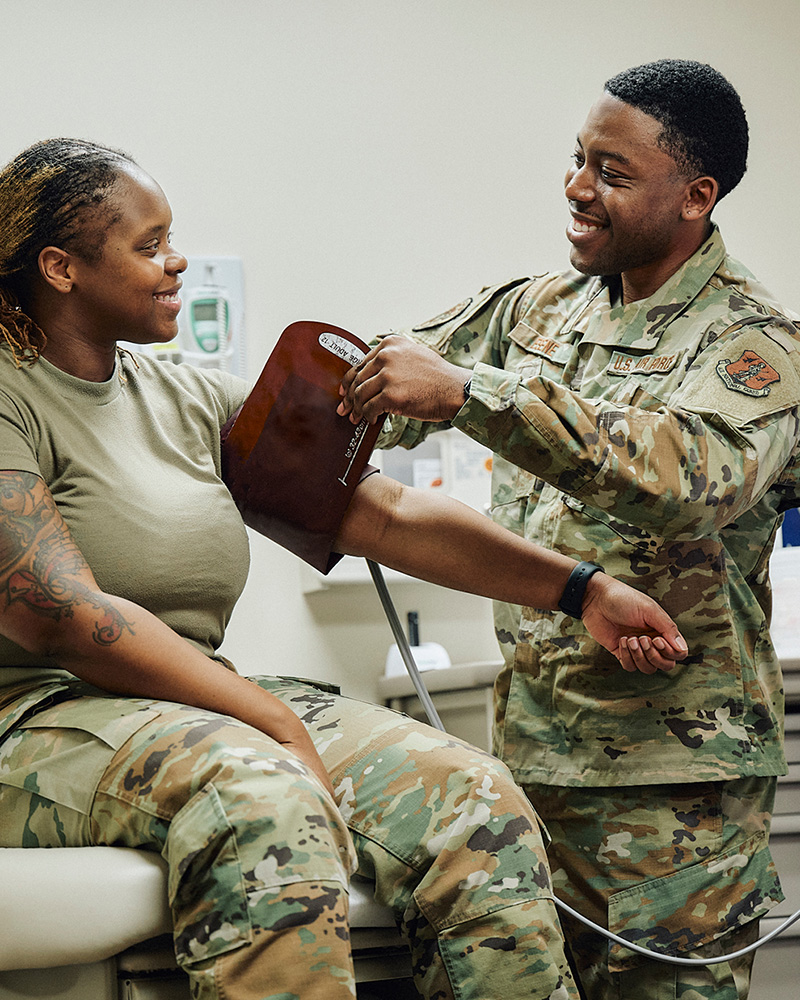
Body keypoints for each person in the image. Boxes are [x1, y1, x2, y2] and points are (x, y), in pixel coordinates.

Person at [0, 139, 687, 1000]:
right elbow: (57, 613)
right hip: (34, 718)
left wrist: (585, 590)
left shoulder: (185, 396)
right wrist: (275, 725)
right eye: (149, 245)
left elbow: (385, 514)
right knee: (260, 796)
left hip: (196, 704)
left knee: (474, 796)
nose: (176, 262)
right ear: (60, 267)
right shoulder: (7, 394)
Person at [338, 59, 798, 1000]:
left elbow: (687, 479)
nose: (577, 189)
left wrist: (474, 395)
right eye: (578, 159)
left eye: (613, 173)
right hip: (531, 758)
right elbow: (377, 380)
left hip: (675, 787)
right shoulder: (536, 311)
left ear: (694, 196)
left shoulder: (755, 345)